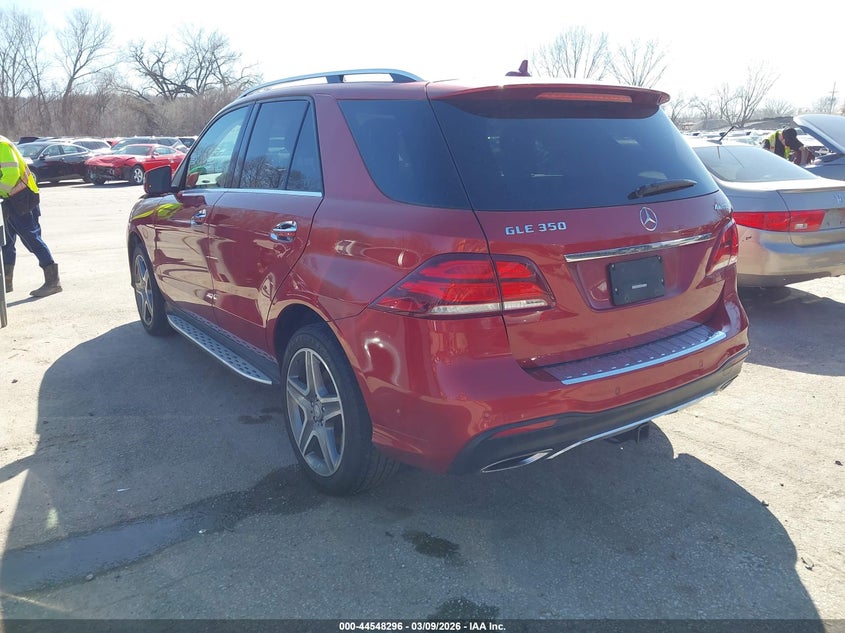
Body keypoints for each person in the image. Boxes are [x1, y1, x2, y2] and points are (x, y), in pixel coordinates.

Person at [1, 134, 62, 297]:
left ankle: (53, 281)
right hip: (9, 200)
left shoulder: (2, 146)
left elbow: (10, 176)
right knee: (6, 242)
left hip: (23, 199)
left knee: (32, 239)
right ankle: (6, 282)